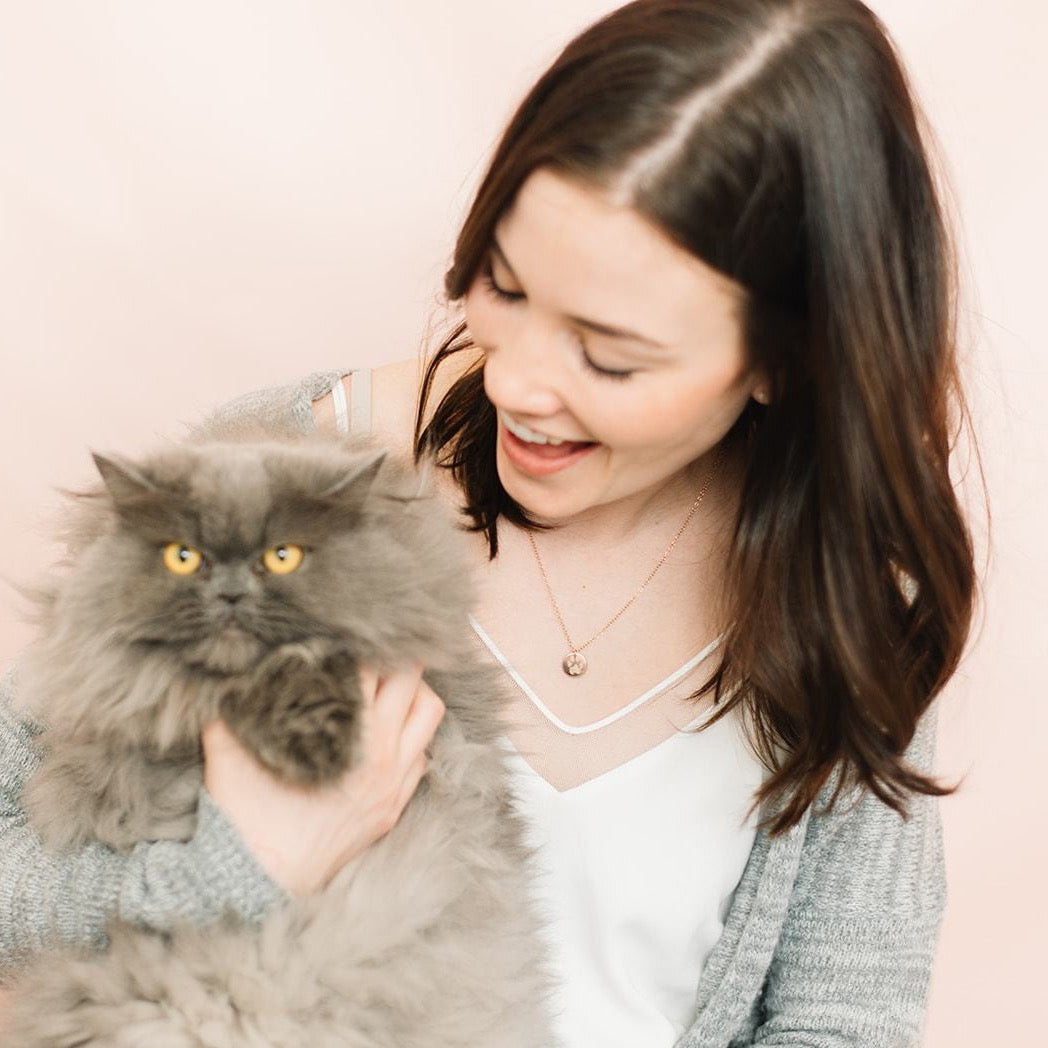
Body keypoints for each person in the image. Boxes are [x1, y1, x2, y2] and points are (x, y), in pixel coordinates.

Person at [0, 1, 978, 1045]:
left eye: (607, 354)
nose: (513, 381)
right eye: (501, 288)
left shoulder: (849, 609)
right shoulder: (271, 480)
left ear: (787, 360)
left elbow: (846, 1012)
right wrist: (242, 860)